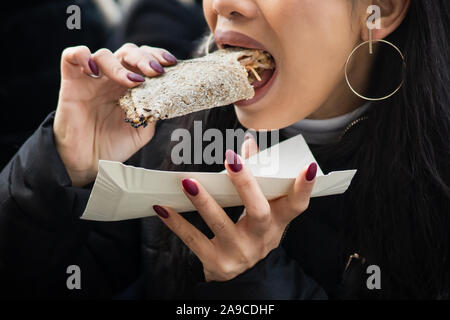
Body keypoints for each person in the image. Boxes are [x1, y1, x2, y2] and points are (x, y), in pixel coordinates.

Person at [1, 0, 449, 299]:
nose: (223, 5)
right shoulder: (165, 135)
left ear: (380, 10)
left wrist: (252, 282)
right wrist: (63, 163)